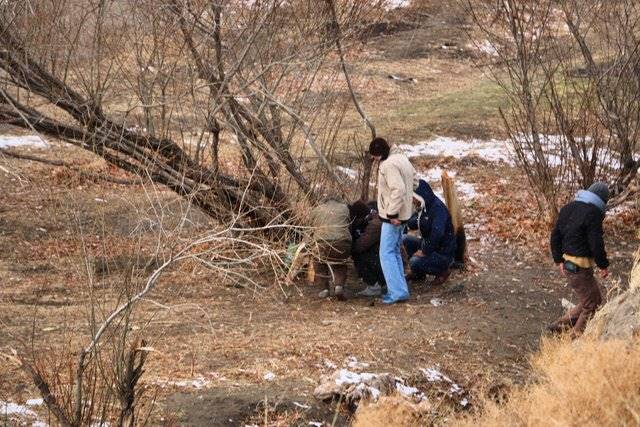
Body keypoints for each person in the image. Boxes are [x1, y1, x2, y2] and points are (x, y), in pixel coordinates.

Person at [548, 182, 610, 337]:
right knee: (592, 304)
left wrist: (559, 260)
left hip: (569, 264)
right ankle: (574, 340)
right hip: (580, 267)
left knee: (591, 298)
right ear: (603, 200)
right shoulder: (593, 213)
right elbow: (595, 242)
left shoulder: (569, 207)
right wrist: (603, 265)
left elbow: (555, 235)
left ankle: (560, 326)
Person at [369, 137, 415, 304]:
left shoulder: (388, 165)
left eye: (374, 157)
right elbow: (413, 183)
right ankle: (400, 289)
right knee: (394, 251)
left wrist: (392, 214)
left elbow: (398, 188)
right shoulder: (402, 159)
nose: (374, 160)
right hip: (404, 214)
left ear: (379, 154)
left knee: (386, 253)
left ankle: (396, 292)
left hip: (392, 217)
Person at [403, 179, 456, 286]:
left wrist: (425, 251)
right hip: (429, 245)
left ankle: (443, 271)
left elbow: (438, 233)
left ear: (420, 195)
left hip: (443, 253)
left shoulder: (438, 209)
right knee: (404, 239)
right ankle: (418, 274)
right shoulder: (424, 206)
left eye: (413, 197)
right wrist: (403, 221)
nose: (412, 200)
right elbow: (413, 223)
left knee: (414, 261)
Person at [309, 199, 352, 299]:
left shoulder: (317, 209)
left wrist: (307, 245)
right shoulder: (345, 208)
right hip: (342, 242)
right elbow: (349, 226)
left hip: (321, 242)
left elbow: (310, 229)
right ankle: (338, 286)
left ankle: (324, 289)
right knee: (340, 264)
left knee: (319, 264)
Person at [349, 200, 387, 297]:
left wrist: (349, 247)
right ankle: (381, 283)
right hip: (387, 259)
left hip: (383, 260)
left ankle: (374, 286)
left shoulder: (374, 224)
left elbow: (360, 246)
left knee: (359, 255)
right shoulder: (377, 218)